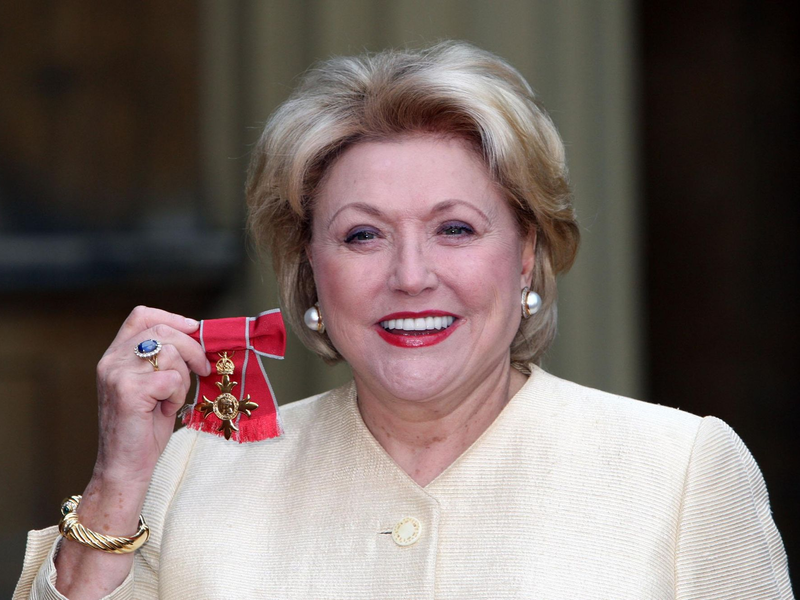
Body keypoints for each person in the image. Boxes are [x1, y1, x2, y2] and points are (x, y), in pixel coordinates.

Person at [15, 41, 792, 600]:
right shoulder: (188, 475)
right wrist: (117, 484)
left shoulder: (683, 473)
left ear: (525, 253)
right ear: (311, 268)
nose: (411, 275)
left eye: (455, 228)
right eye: (363, 235)